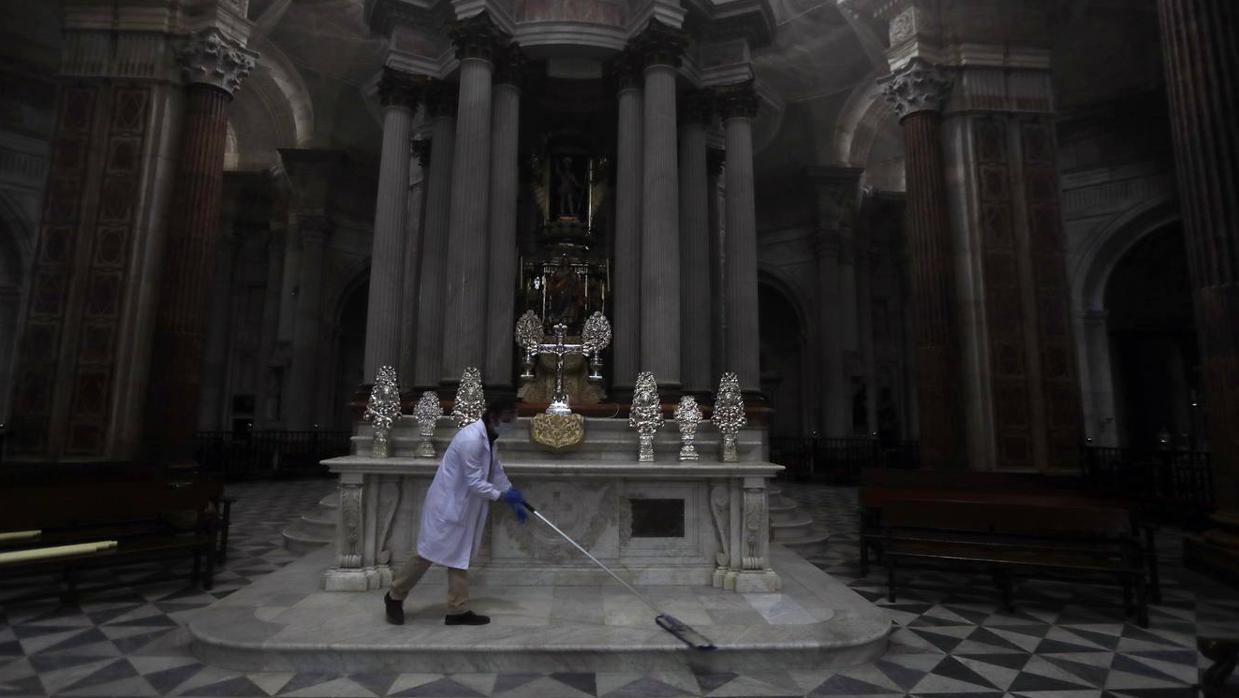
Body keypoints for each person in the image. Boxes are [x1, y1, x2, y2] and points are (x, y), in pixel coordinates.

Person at [383, 397, 526, 626]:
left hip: (463, 508)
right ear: (493, 418)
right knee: (426, 554)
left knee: (459, 556)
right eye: (508, 420)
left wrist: (512, 494)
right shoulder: (471, 439)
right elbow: (474, 482)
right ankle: (394, 595)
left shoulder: (490, 439)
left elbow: (495, 471)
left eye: (513, 419)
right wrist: (502, 496)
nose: (511, 424)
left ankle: (457, 610)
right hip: (447, 506)